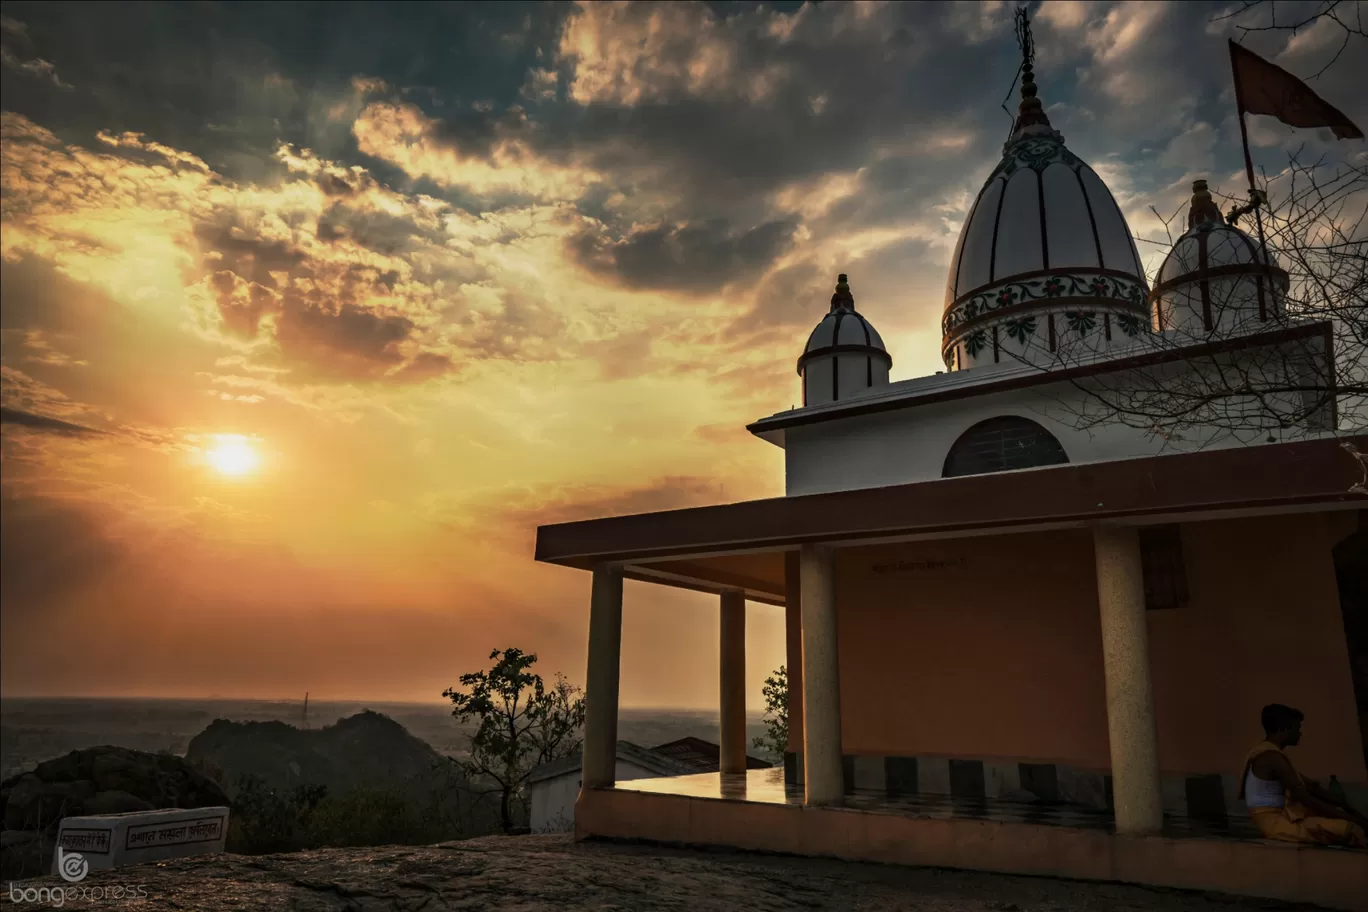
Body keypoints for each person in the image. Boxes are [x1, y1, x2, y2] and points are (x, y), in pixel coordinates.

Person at [1239, 704, 1368, 847]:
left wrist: (1343, 804)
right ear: (1284, 730)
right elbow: (1305, 798)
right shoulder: (1272, 758)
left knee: (1340, 819)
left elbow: (1312, 788)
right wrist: (1354, 819)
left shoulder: (1272, 754)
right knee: (1350, 829)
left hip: (1282, 818)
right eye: (1297, 728)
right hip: (1276, 825)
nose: (1300, 733)